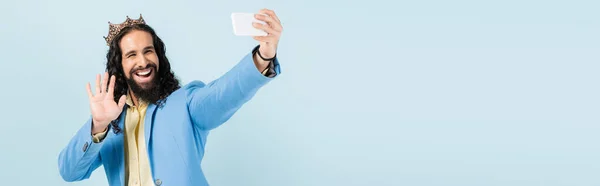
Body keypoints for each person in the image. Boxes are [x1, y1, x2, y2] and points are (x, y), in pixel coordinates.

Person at [58, 9, 283, 186]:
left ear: (158, 56)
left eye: (148, 51)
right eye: (131, 55)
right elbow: (70, 172)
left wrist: (264, 56)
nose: (143, 61)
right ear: (120, 65)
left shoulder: (185, 102)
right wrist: (99, 125)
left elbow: (224, 93)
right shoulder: (110, 121)